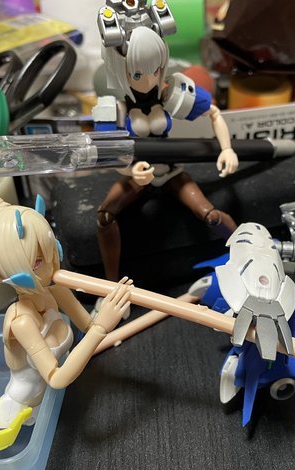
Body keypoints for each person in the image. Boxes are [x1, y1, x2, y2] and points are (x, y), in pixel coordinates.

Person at [0, 194, 131, 452]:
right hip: (24, 403)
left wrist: (110, 309)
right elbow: (57, 377)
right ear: (1, 273)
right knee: (8, 450)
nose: (53, 264)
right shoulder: (21, 321)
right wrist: (101, 328)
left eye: (51, 248)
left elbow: (87, 325)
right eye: (38, 261)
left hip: (63, 398)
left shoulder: (54, 290)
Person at [97, 25, 239, 282]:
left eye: (155, 70)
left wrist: (227, 149)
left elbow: (214, 113)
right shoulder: (116, 108)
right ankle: (110, 284)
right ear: (121, 70)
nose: (148, 80)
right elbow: (107, 153)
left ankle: (247, 251)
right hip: (137, 175)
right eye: (137, 73)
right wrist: (130, 170)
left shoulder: (168, 95)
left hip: (170, 171)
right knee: (104, 217)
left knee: (210, 215)